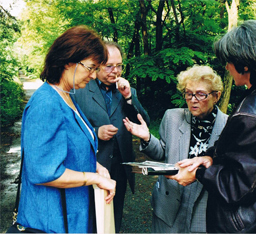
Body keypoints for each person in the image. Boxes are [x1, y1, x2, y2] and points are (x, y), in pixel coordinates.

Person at [168, 20, 256, 233]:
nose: (226, 67)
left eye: (229, 61)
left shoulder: (254, 109)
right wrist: (209, 157)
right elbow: (238, 150)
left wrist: (198, 172)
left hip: (244, 226)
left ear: (245, 64)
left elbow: (237, 186)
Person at [15, 26, 116, 233]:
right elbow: (44, 171)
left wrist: (94, 165)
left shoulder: (68, 96)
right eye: (91, 67)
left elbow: (68, 147)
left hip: (73, 213)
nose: (94, 76)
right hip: (52, 220)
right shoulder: (46, 103)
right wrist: (93, 177)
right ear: (69, 61)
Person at [123, 65, 228, 233]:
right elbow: (162, 153)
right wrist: (147, 138)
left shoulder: (229, 126)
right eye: (188, 93)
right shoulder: (172, 117)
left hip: (205, 209)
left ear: (216, 96)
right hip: (169, 204)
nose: (193, 99)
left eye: (201, 94)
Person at [73, 41, 150, 232]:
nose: (115, 71)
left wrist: (129, 98)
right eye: (109, 65)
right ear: (97, 64)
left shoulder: (127, 90)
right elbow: (71, 129)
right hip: (92, 165)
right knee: (89, 218)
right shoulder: (80, 89)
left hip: (120, 166)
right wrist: (96, 132)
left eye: (119, 65)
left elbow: (144, 123)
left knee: (113, 218)